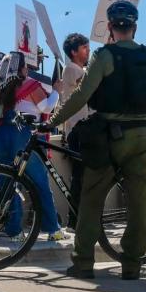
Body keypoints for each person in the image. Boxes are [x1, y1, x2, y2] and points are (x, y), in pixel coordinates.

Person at [47, 0, 146, 281]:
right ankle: (131, 264)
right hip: (143, 137)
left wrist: (52, 120)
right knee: (140, 205)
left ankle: (83, 262)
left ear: (111, 28)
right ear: (135, 28)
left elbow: (81, 96)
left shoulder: (104, 56)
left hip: (108, 136)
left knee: (91, 199)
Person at [0, 51, 65, 242]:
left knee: (8, 183)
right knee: (40, 182)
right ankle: (52, 228)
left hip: (0, 136)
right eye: (26, 66)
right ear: (22, 68)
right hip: (22, 135)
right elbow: (46, 107)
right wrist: (57, 90)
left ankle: (14, 231)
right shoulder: (29, 84)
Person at [57, 33, 91, 226]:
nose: (88, 51)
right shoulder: (71, 69)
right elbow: (89, 84)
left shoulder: (80, 69)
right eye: (84, 48)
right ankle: (74, 219)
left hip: (83, 127)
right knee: (80, 175)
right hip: (78, 129)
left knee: (84, 175)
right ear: (73, 52)